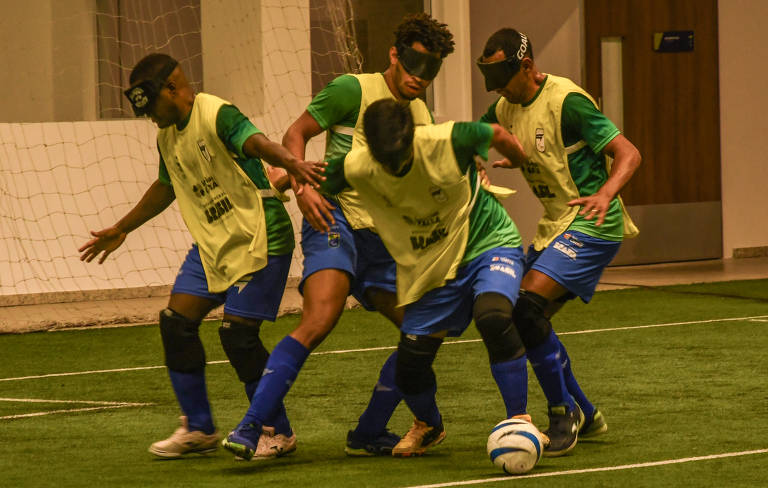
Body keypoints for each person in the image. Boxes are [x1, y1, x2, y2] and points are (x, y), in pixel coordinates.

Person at [221, 13, 455, 460]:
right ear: (394, 54)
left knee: (424, 332)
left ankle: (373, 431)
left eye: (430, 70)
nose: (419, 78)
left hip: (385, 239)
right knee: (320, 319)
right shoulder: (352, 89)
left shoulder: (420, 113)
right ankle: (254, 426)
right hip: (334, 220)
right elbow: (296, 132)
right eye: (413, 65)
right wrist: (303, 184)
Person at [78, 53, 325, 459]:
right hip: (213, 245)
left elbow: (258, 143)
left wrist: (292, 163)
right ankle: (199, 428)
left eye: (151, 107)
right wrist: (123, 227)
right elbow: (166, 185)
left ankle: (277, 431)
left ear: (173, 91)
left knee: (238, 336)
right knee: (176, 323)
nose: (149, 119)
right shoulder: (167, 136)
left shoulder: (216, 114)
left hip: (258, 236)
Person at [314, 98, 583, 457]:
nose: (393, 166)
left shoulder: (449, 139)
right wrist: (292, 183)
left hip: (487, 242)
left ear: (412, 136)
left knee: (494, 316)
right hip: (431, 263)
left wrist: (518, 159)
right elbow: (313, 177)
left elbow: (498, 133)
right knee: (410, 365)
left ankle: (522, 420)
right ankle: (429, 424)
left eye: (399, 155)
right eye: (385, 159)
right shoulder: (358, 164)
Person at [476, 28, 642, 443]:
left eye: (504, 81)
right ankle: (586, 412)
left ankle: (562, 412)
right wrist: (476, 162)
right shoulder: (504, 105)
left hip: (593, 223)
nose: (500, 93)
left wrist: (605, 193)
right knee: (522, 318)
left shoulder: (567, 101)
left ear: (528, 67)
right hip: (556, 225)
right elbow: (474, 136)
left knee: (527, 309)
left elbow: (629, 153)